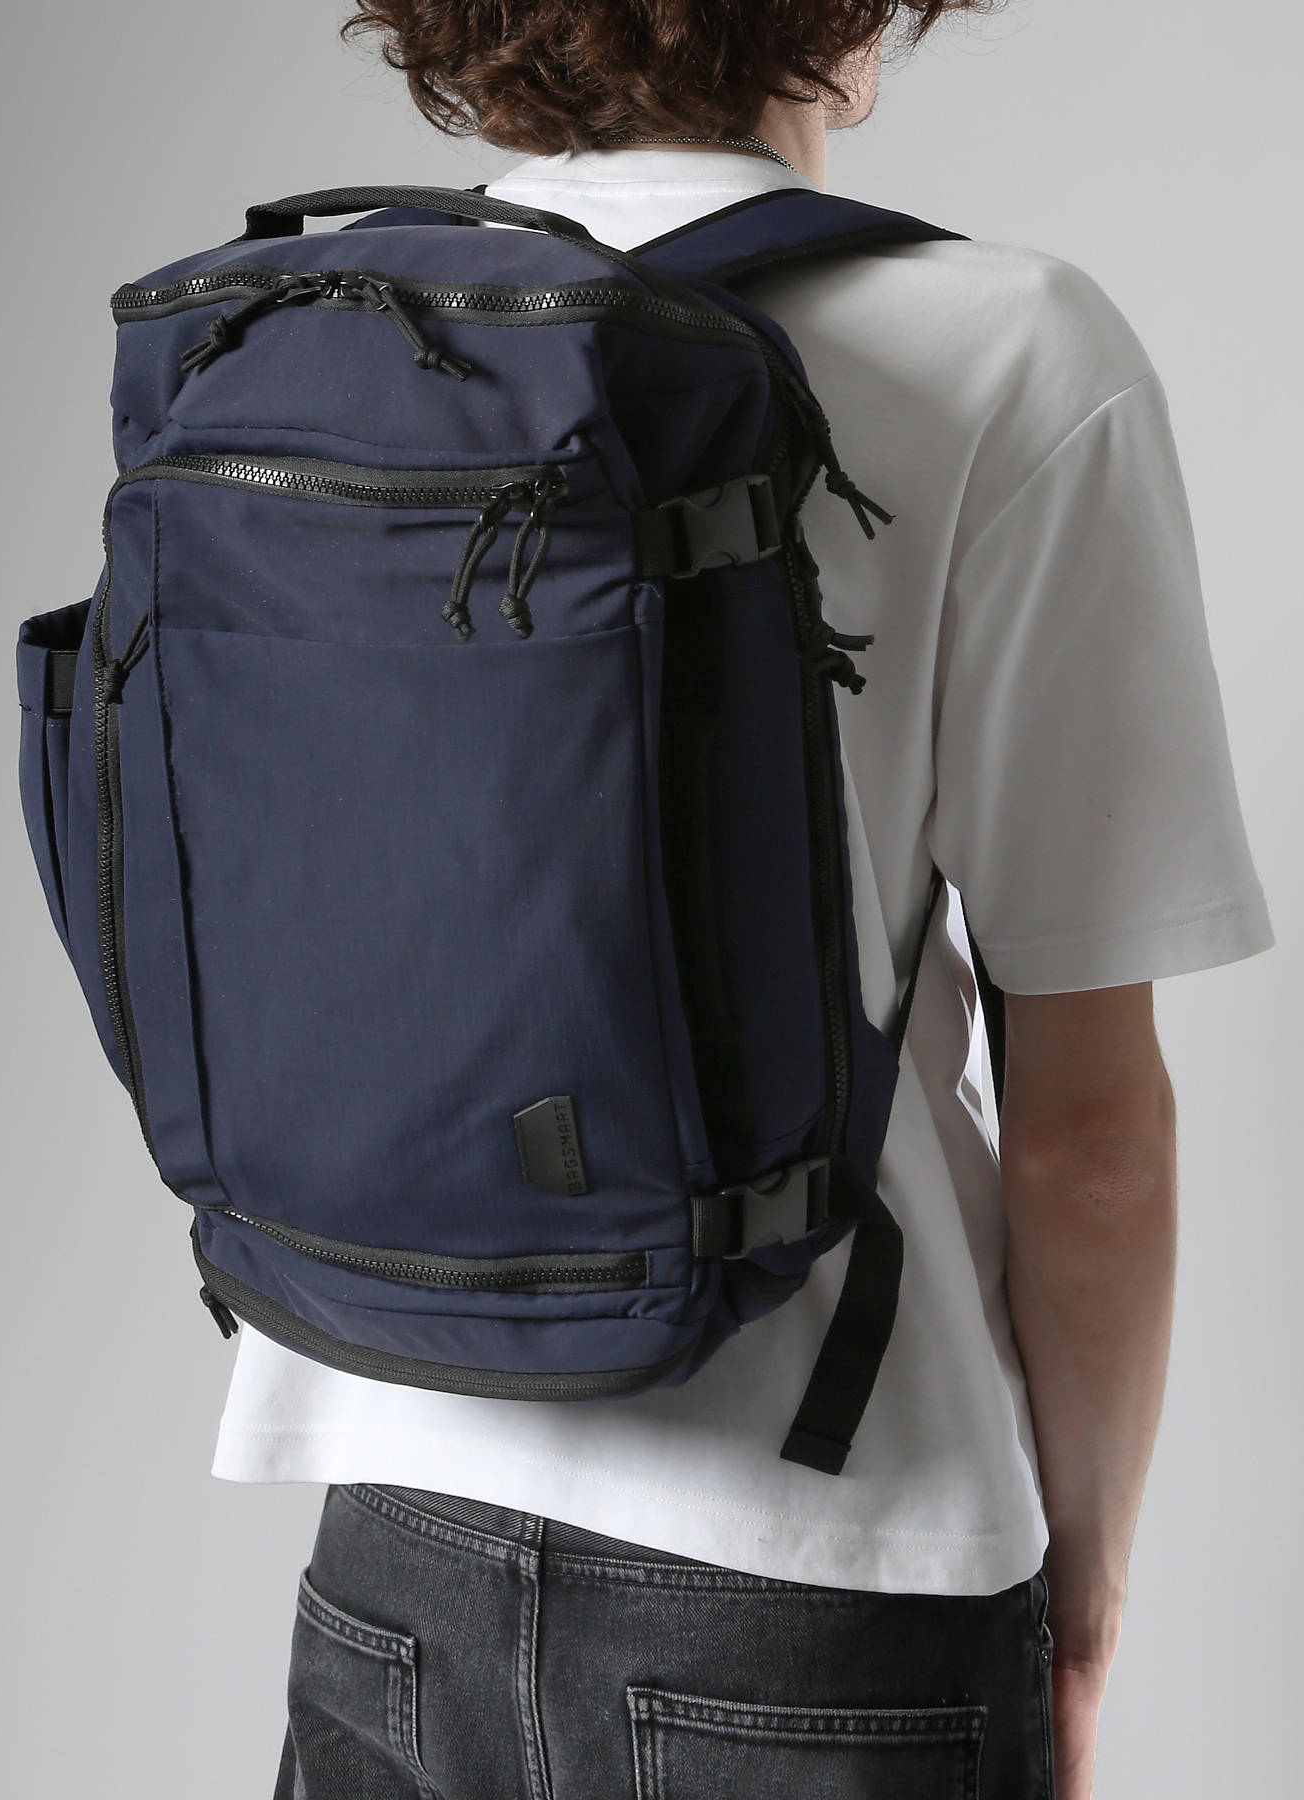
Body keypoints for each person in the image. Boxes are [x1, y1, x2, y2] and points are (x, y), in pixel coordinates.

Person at [208, 6, 1274, 1797]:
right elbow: (1089, 1138)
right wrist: (1083, 1607)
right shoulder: (1008, 343)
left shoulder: (332, 322)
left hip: (389, 1512)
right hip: (824, 1552)